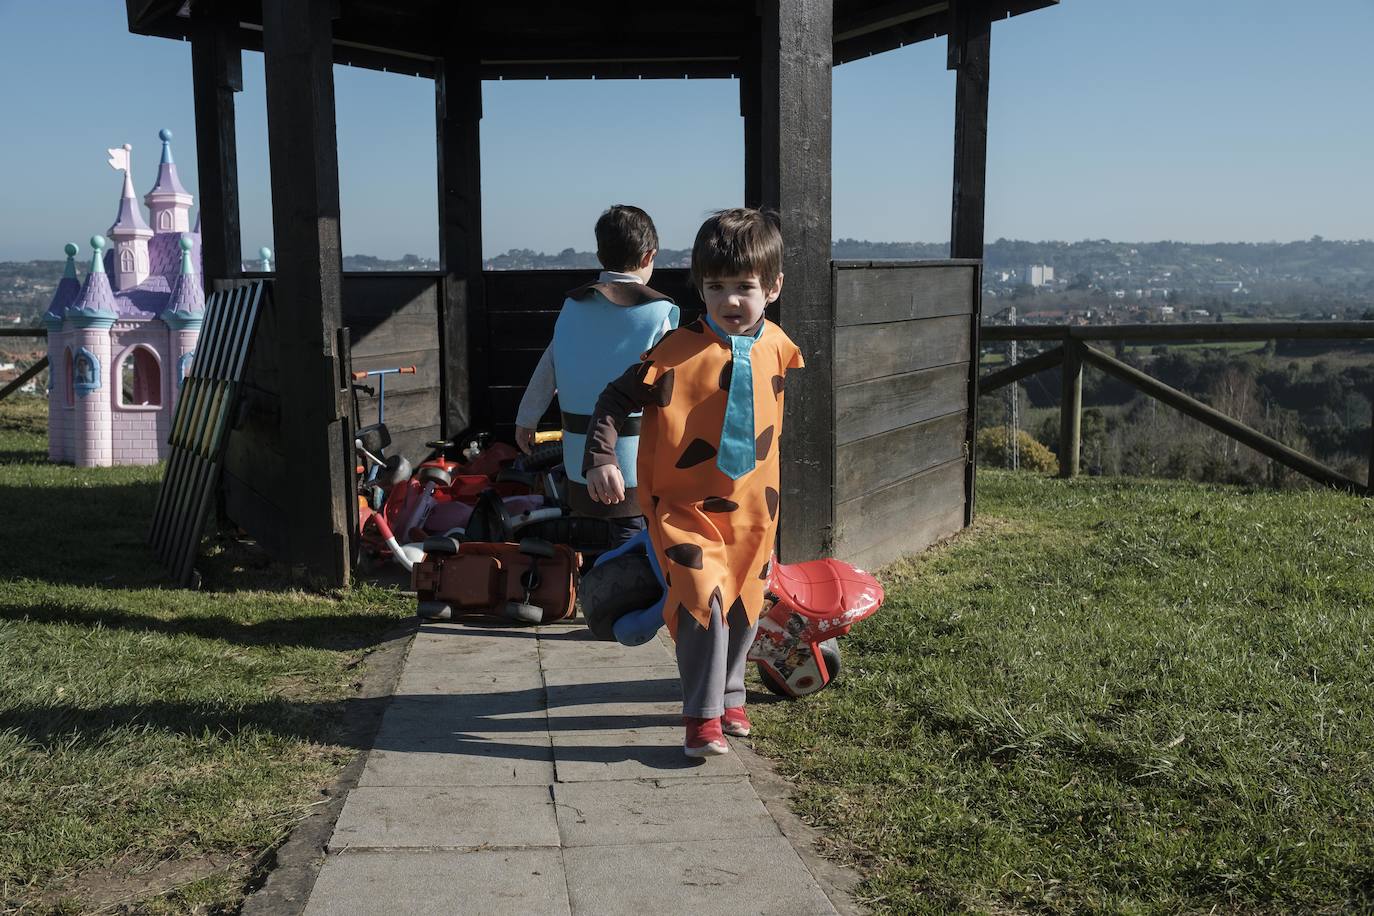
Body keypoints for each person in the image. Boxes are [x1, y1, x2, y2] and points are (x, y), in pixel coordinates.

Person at [582, 208, 804, 757]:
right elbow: (613, 400)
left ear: (772, 287)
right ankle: (700, 719)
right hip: (682, 506)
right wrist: (601, 457)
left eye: (745, 287)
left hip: (754, 508)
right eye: (716, 287)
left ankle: (730, 695)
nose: (730, 300)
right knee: (701, 598)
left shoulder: (777, 344)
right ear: (699, 288)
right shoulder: (674, 352)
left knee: (745, 603)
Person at [513, 205, 678, 548]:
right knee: (633, 545)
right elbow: (669, 388)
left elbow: (549, 366)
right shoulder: (658, 312)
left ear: (600, 254)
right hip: (634, 464)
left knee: (585, 539)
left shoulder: (573, 307)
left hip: (578, 459)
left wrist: (526, 419)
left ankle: (577, 592)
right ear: (650, 256)